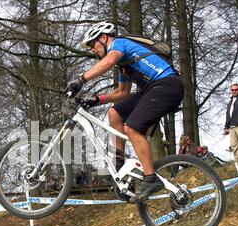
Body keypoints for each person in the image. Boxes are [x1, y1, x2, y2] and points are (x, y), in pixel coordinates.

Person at [66, 21, 184, 203]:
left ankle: (150, 178)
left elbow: (109, 61)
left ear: (104, 38)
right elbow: (123, 93)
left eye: (93, 45)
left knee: (132, 128)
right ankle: (120, 164)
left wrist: (81, 80)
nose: (92, 50)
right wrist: (98, 99)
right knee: (115, 114)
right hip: (152, 89)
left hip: (167, 85)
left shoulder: (120, 44)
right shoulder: (123, 65)